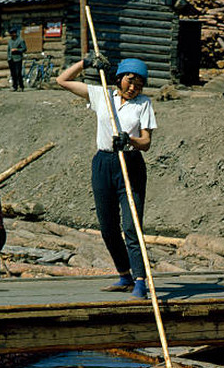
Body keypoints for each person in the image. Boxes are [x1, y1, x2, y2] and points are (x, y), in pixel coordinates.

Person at [56, 55, 157, 298]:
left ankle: (141, 280)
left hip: (130, 163)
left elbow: (146, 142)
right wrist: (86, 63)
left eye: (138, 85)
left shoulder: (143, 104)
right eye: (129, 82)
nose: (133, 88)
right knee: (107, 227)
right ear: (119, 79)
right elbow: (62, 80)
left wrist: (129, 139)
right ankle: (125, 275)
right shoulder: (102, 96)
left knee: (131, 226)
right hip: (103, 163)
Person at [7, 27, 27, 92]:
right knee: (13, 73)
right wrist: (8, 57)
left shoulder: (20, 40)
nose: (11, 35)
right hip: (11, 59)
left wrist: (17, 50)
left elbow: (24, 49)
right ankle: (14, 86)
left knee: (18, 73)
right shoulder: (10, 41)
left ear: (15, 33)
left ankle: (21, 86)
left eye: (12, 33)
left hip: (18, 58)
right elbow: (8, 50)